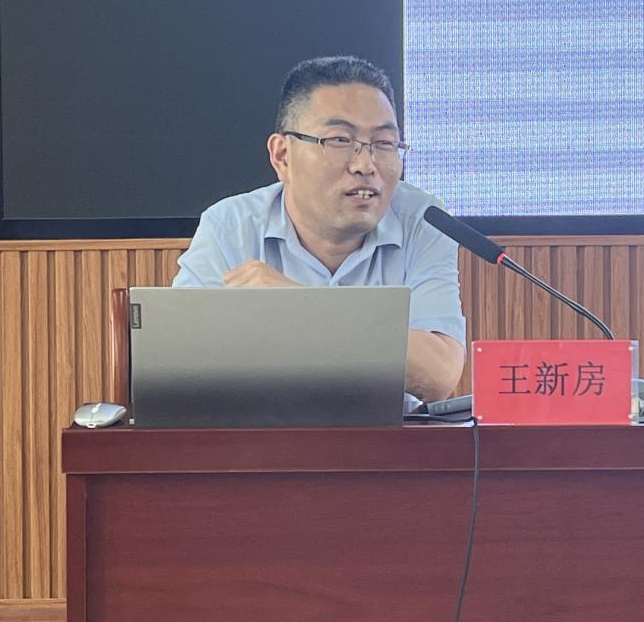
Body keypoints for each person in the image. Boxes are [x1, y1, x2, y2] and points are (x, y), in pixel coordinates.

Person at [172, 56, 466, 401]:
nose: (365, 164)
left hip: (387, 434)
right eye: (340, 140)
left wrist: (302, 307)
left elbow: (439, 375)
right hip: (261, 431)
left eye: (384, 143)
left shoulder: (423, 221)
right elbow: (179, 370)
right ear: (282, 155)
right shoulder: (230, 227)